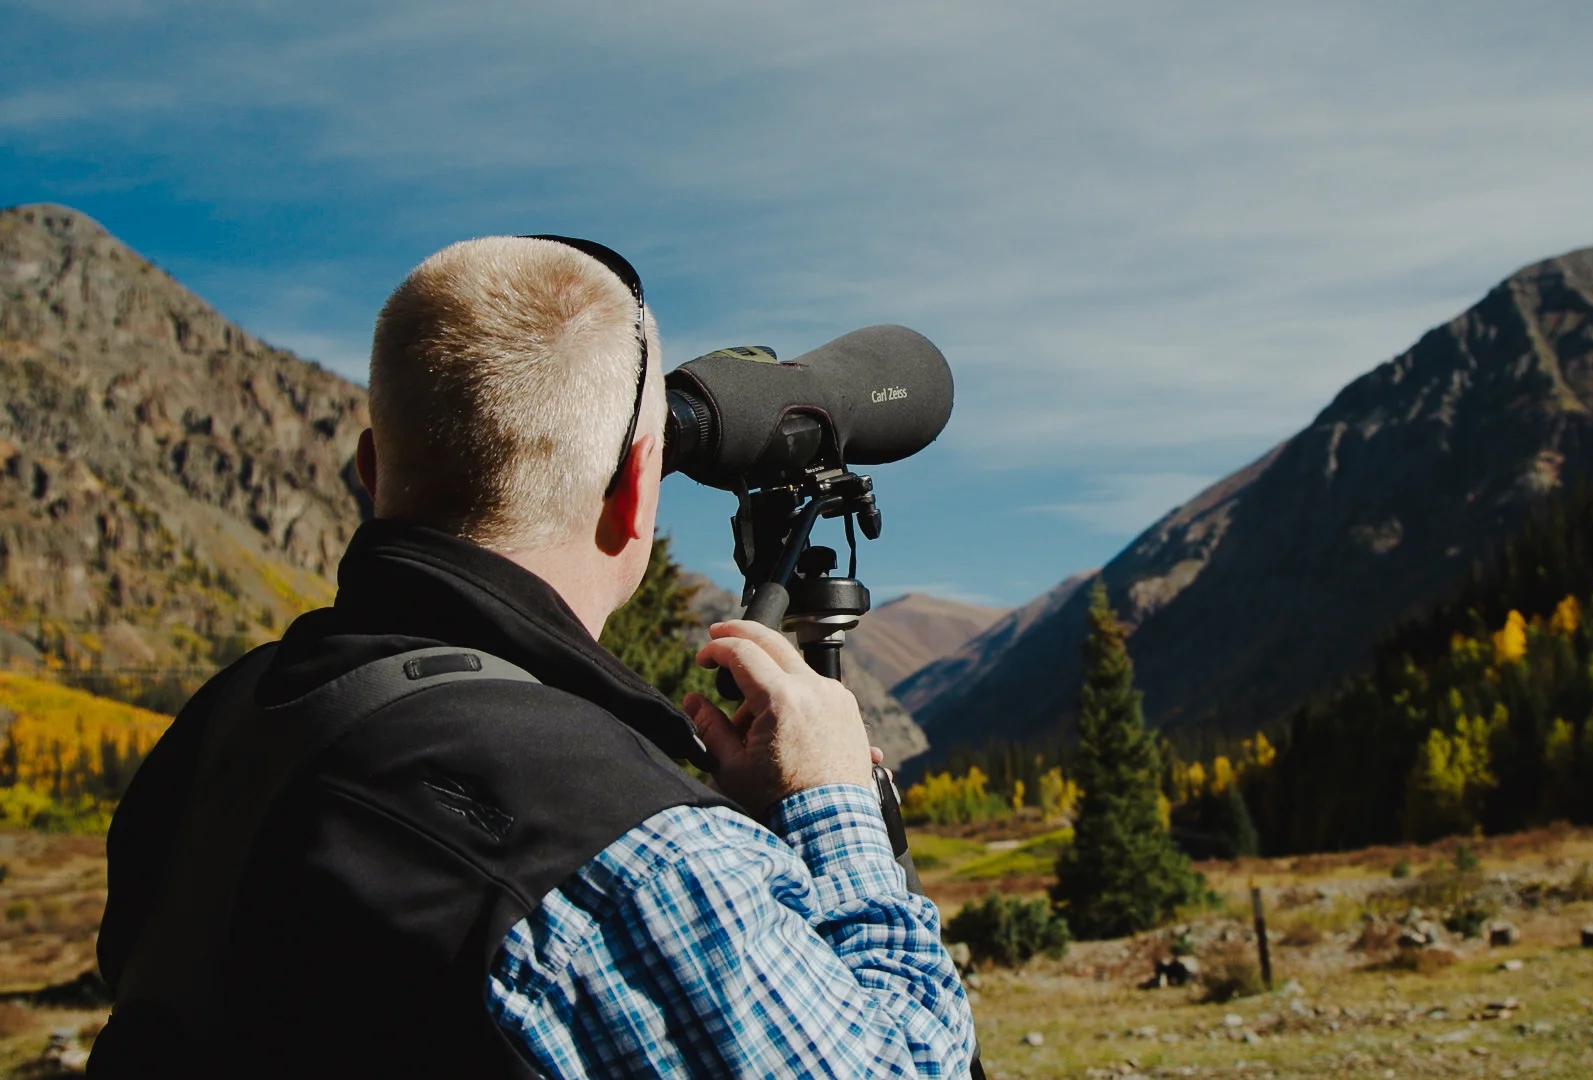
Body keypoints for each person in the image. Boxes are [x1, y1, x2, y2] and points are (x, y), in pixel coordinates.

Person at [90, 236, 975, 1079]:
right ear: (637, 489)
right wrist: (831, 807)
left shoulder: (219, 725)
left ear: (370, 469)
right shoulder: (628, 856)